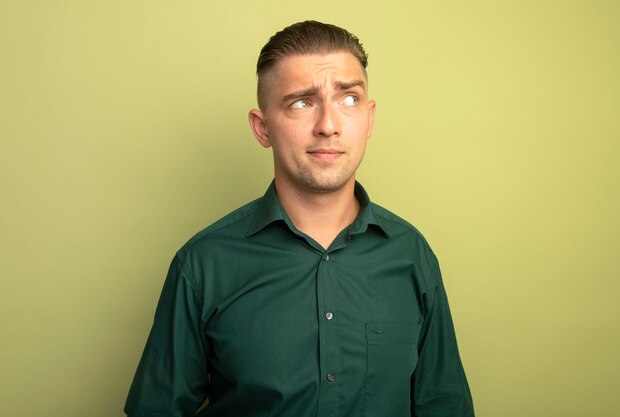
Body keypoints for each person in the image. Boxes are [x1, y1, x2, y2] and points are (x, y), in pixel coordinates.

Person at [125, 20, 474, 417]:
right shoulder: (203, 264)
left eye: (349, 99)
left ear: (369, 118)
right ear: (262, 128)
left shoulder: (412, 255)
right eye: (301, 102)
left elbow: (446, 407)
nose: (328, 125)